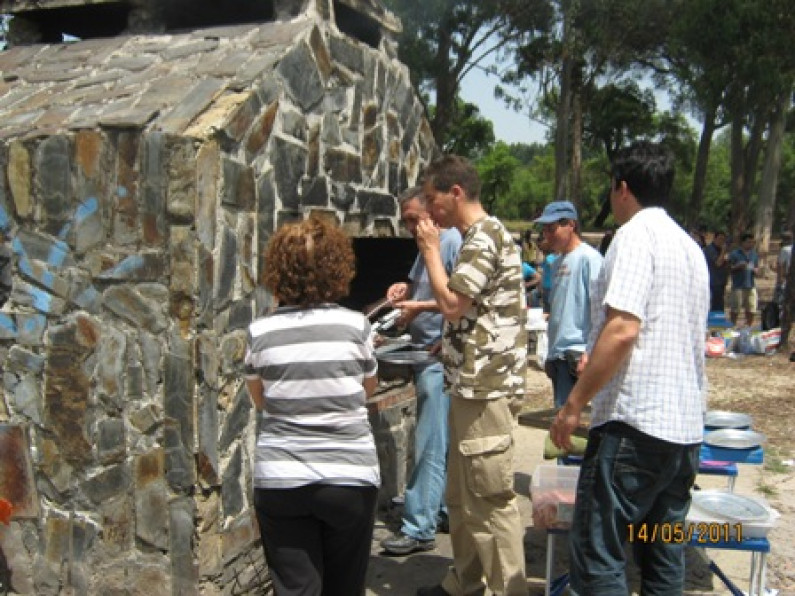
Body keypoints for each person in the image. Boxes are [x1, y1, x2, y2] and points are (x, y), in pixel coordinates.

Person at [550, 141, 709, 595]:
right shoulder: (689, 246)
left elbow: (623, 329)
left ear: (622, 188)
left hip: (635, 427)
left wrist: (573, 404)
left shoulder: (636, 235)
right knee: (661, 554)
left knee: (600, 554)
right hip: (683, 433)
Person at [244, 216, 380, 596]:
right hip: (349, 477)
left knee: (296, 590)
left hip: (282, 478)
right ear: (337, 268)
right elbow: (366, 390)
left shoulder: (259, 332)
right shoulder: (358, 327)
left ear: (278, 270)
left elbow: (262, 401)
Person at [414, 155, 528, 596]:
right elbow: (473, 311)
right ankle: (463, 581)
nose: (428, 211)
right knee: (461, 497)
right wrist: (454, 340)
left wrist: (428, 250)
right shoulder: (477, 237)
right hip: (469, 384)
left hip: (487, 390)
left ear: (455, 193)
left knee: (490, 500)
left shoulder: (483, 237)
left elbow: (452, 304)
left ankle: (508, 591)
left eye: (431, 199)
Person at [380, 186, 462, 556]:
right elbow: (422, 283)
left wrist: (437, 329)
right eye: (406, 221)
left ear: (431, 210)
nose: (410, 227)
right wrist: (404, 289)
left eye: (414, 218)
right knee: (437, 440)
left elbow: (459, 300)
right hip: (422, 351)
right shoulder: (427, 244)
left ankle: (418, 526)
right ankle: (440, 510)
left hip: (437, 357)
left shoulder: (453, 241)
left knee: (429, 442)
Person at [534, 200, 603, 408]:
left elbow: (600, 310)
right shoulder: (555, 263)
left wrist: (590, 352)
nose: (547, 234)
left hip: (578, 354)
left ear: (571, 225)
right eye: (544, 229)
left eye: (552, 228)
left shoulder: (589, 259)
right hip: (558, 356)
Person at [728, 232, 760, 326]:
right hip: (738, 285)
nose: (750, 244)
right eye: (748, 242)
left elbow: (757, 267)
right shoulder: (734, 254)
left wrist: (756, 270)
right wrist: (738, 266)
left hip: (751, 284)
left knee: (751, 308)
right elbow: (729, 268)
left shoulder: (754, 254)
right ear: (742, 242)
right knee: (735, 309)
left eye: (752, 242)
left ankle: (748, 326)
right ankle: (732, 326)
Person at [703, 230, 730, 313]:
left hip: (721, 281)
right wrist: (723, 252)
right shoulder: (710, 250)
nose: (721, 242)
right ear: (714, 239)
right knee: (715, 305)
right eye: (720, 239)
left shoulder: (721, 250)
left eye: (723, 240)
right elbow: (718, 263)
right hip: (713, 282)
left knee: (720, 305)